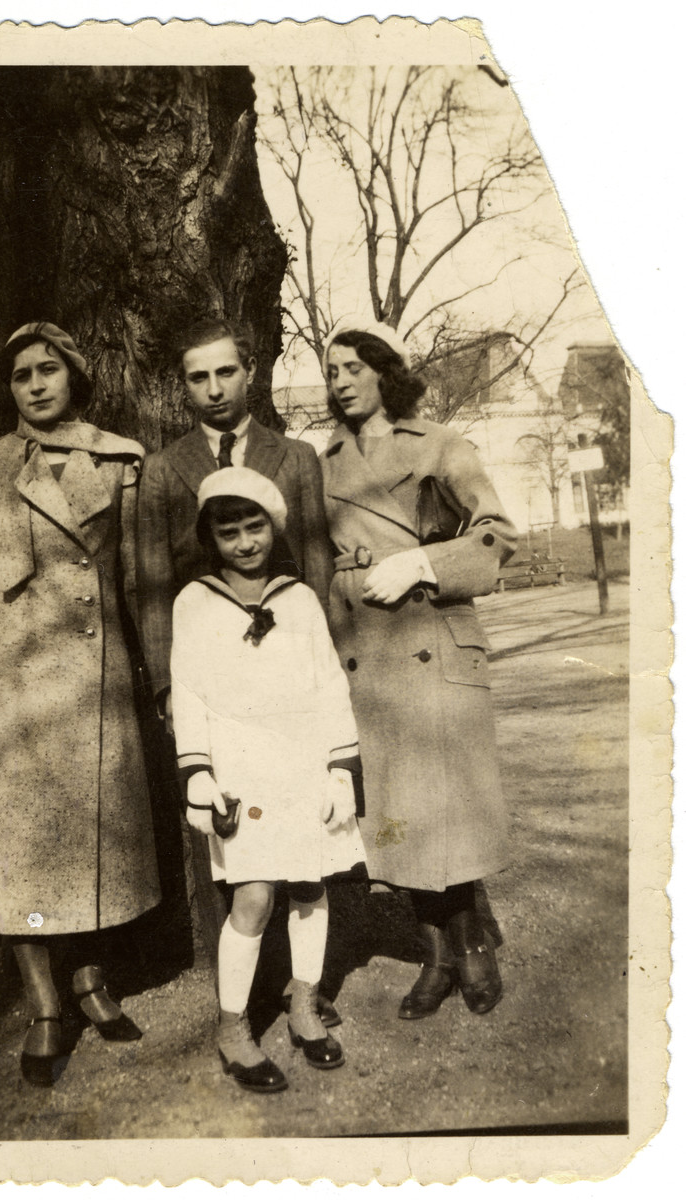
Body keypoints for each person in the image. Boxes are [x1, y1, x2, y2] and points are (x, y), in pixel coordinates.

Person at [0, 321, 161, 1081]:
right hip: (12, 690)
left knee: (96, 840)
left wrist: (155, 681)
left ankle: (92, 982)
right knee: (21, 855)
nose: (33, 383)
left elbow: (139, 586)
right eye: (20, 374)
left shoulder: (119, 460)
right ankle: (43, 1004)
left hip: (95, 689)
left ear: (74, 376)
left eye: (47, 369)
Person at [137, 317, 339, 1023]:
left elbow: (315, 567)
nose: (214, 388)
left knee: (308, 866)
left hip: (291, 685)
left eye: (225, 372)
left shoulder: (297, 457)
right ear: (183, 385)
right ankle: (243, 999)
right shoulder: (163, 470)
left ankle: (303, 988)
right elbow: (154, 588)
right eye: (198, 376)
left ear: (249, 373)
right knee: (240, 861)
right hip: (217, 699)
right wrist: (169, 696)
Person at [319, 314, 518, 1020]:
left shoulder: (440, 444)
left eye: (352, 368)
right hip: (366, 656)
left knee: (448, 811)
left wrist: (422, 562)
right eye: (331, 371)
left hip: (434, 635)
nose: (339, 382)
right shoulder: (322, 466)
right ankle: (437, 954)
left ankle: (471, 951)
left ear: (383, 371)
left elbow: (496, 535)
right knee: (400, 818)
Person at [171, 467, 365, 1092]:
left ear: (273, 529)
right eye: (229, 532)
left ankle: (304, 1004)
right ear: (212, 538)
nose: (245, 542)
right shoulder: (194, 601)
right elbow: (190, 692)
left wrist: (339, 768)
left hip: (303, 759)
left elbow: (329, 684)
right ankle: (233, 1027)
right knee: (252, 897)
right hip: (238, 766)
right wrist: (198, 772)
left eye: (255, 527)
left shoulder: (299, 598)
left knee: (310, 886)